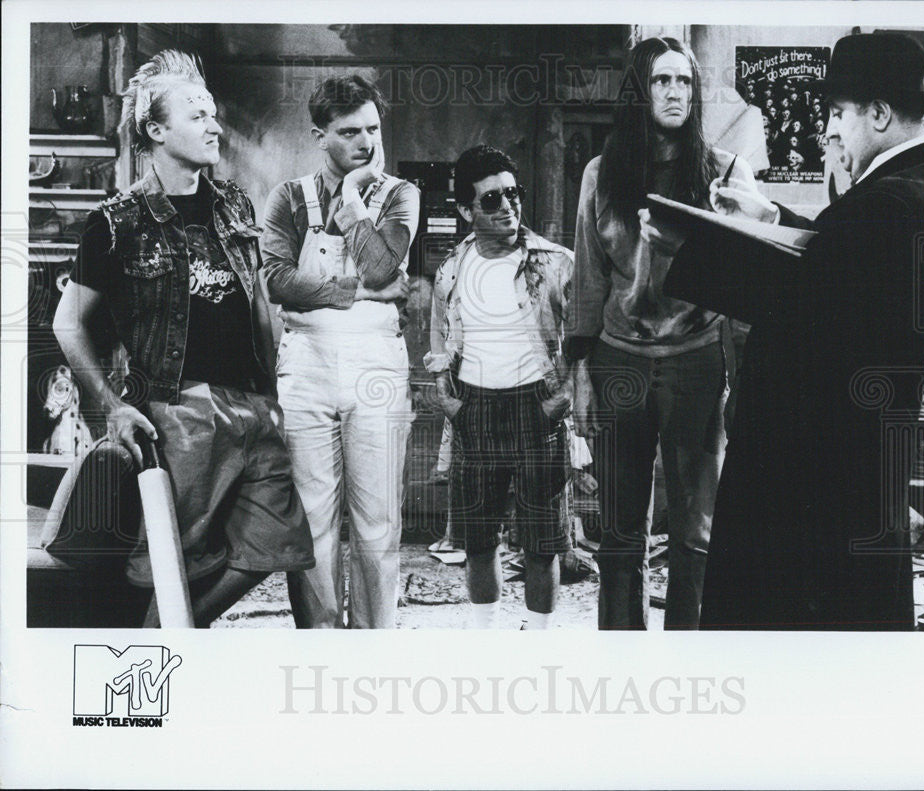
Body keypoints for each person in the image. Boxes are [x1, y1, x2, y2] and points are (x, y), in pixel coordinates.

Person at [640, 33, 924, 630]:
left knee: (791, 641)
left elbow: (807, 303)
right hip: (842, 470)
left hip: (820, 478)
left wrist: (690, 246)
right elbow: (834, 263)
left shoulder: (893, 203)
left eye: (839, 114)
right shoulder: (918, 184)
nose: (831, 132)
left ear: (881, 114)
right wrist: (771, 218)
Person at [53, 50, 315, 627]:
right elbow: (67, 322)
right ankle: (158, 679)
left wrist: (273, 395)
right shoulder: (117, 222)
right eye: (197, 115)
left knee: (277, 544)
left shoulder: (235, 205)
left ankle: (163, 649)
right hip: (179, 409)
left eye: (214, 114)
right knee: (174, 565)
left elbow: (258, 309)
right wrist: (115, 407)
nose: (215, 125)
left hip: (253, 404)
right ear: (155, 129)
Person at [567, 37, 752, 630]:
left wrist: (745, 376)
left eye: (685, 82)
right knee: (621, 535)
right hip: (619, 360)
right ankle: (622, 663)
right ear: (639, 91)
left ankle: (689, 660)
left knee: (696, 534)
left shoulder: (724, 171)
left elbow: (752, 286)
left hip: (696, 360)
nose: (676, 92)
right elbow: (588, 276)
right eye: (662, 80)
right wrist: (579, 372)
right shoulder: (602, 173)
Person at [261, 74, 419, 629]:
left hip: (375, 361)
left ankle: (374, 646)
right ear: (318, 135)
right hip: (306, 362)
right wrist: (355, 292)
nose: (366, 143)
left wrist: (352, 201)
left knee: (377, 521)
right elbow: (277, 279)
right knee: (312, 519)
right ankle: (322, 645)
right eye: (350, 132)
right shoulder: (287, 197)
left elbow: (383, 266)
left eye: (373, 129)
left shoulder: (400, 194)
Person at [425, 145, 574, 629]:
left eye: (513, 194)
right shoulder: (451, 268)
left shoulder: (556, 263)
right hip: (475, 409)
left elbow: (584, 334)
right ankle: (486, 645)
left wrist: (561, 400)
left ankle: (539, 649)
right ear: (467, 211)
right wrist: (449, 398)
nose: (508, 205)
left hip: (537, 409)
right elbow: (438, 337)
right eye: (491, 199)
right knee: (477, 539)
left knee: (541, 540)